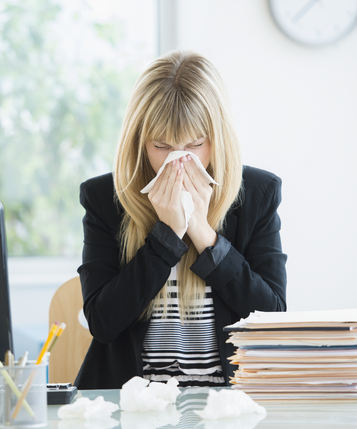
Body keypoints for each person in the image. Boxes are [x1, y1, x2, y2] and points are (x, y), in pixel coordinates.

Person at [75, 51, 287, 389]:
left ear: (216, 139)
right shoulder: (105, 198)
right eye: (161, 146)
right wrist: (166, 237)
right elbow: (102, 322)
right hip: (135, 400)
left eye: (195, 144)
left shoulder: (257, 194)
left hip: (228, 401)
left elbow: (271, 319)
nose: (179, 161)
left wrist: (202, 232)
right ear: (140, 142)